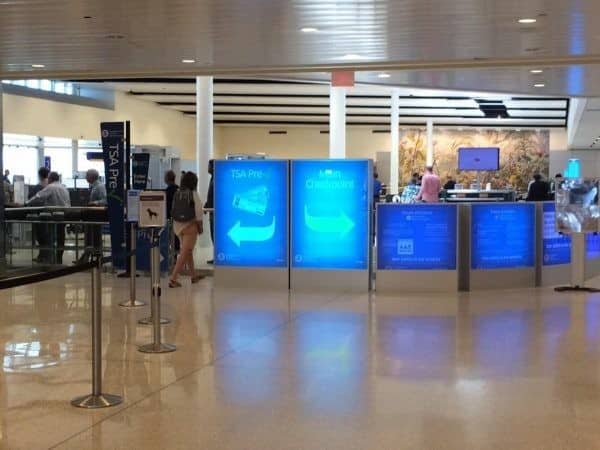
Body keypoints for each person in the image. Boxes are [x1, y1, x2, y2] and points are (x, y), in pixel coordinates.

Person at [169, 171, 204, 287]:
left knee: (187, 251)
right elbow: (199, 212)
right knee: (185, 253)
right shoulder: (193, 194)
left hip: (177, 226)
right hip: (190, 226)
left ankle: (193, 276)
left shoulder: (178, 193)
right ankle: (173, 279)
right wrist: (200, 227)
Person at [27, 171, 70, 263]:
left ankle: (50, 258)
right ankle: (59, 258)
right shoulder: (64, 187)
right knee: (60, 238)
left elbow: (38, 197)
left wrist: (26, 203)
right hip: (64, 216)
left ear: (50, 179)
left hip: (53, 217)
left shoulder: (51, 187)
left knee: (50, 236)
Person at [76, 169, 107, 263]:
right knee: (90, 236)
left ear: (91, 177)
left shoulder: (99, 187)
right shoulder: (94, 186)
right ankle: (88, 256)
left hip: (96, 216)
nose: (85, 177)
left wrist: (94, 203)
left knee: (94, 236)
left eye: (86, 175)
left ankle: (96, 256)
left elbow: (105, 200)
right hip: (92, 216)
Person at [28, 167, 50, 263]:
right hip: (50, 213)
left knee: (41, 236)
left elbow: (30, 199)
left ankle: (43, 256)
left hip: (38, 213)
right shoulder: (50, 185)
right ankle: (44, 255)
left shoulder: (37, 187)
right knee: (47, 235)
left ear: (39, 175)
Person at [164, 170, 180, 252]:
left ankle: (173, 256)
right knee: (176, 238)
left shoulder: (167, 191)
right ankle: (176, 255)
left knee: (171, 238)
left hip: (170, 218)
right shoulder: (178, 189)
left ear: (167, 179)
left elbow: (166, 206)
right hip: (178, 218)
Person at [204, 160, 215, 264]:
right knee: (213, 234)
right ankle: (216, 256)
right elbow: (210, 196)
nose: (208, 167)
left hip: (215, 213)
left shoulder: (216, 180)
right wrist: (206, 205)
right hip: (211, 211)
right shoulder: (212, 179)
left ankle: (217, 256)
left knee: (215, 234)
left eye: (209, 166)